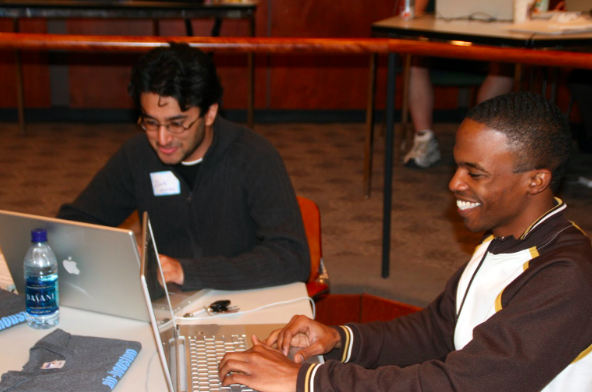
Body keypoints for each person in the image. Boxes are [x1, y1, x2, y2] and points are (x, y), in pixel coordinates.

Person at [218, 91, 592, 392]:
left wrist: (305, 380)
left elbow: (462, 384)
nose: (455, 183)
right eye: (457, 166)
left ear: (536, 181)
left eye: (475, 173)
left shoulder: (567, 277)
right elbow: (436, 331)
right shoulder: (503, 240)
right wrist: (339, 339)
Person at [57, 43, 310, 291]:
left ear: (209, 113)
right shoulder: (137, 155)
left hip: (243, 298)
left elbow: (293, 257)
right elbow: (73, 223)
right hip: (168, 304)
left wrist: (186, 271)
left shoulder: (253, 156)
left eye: (177, 124)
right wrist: (115, 249)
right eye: (151, 122)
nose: (162, 139)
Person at [403, 0, 514, 168]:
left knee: (506, 63)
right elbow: (414, 14)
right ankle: (424, 139)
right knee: (415, 60)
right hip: (440, 45)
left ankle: (482, 142)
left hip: (487, 45)